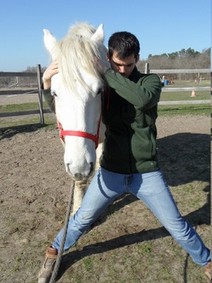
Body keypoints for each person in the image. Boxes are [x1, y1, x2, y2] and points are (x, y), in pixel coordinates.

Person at [38, 31, 212, 283]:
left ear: (137, 59)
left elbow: (141, 100)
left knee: (176, 225)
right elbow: (73, 103)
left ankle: (206, 260)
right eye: (116, 64)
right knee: (81, 220)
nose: (122, 70)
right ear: (109, 57)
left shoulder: (149, 82)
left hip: (146, 172)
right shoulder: (104, 88)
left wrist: (107, 72)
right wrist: (46, 83)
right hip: (111, 171)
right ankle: (53, 252)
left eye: (127, 65)